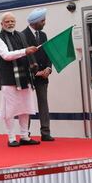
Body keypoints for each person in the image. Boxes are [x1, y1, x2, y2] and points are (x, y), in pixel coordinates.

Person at [0, 12, 40, 147]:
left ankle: (25, 136)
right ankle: (11, 138)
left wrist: (33, 64)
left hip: (24, 77)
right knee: (10, 110)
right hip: (9, 78)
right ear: (2, 24)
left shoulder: (21, 35)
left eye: (12, 21)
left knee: (25, 108)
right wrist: (25, 51)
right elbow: (6, 55)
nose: (10, 24)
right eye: (7, 21)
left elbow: (28, 53)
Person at [22, 8, 54, 141]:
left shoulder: (43, 35)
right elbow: (24, 55)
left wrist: (48, 68)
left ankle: (45, 132)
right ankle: (26, 133)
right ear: (35, 23)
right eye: (42, 21)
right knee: (27, 105)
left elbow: (48, 53)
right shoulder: (22, 35)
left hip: (43, 75)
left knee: (43, 103)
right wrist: (35, 71)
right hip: (29, 75)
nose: (44, 23)